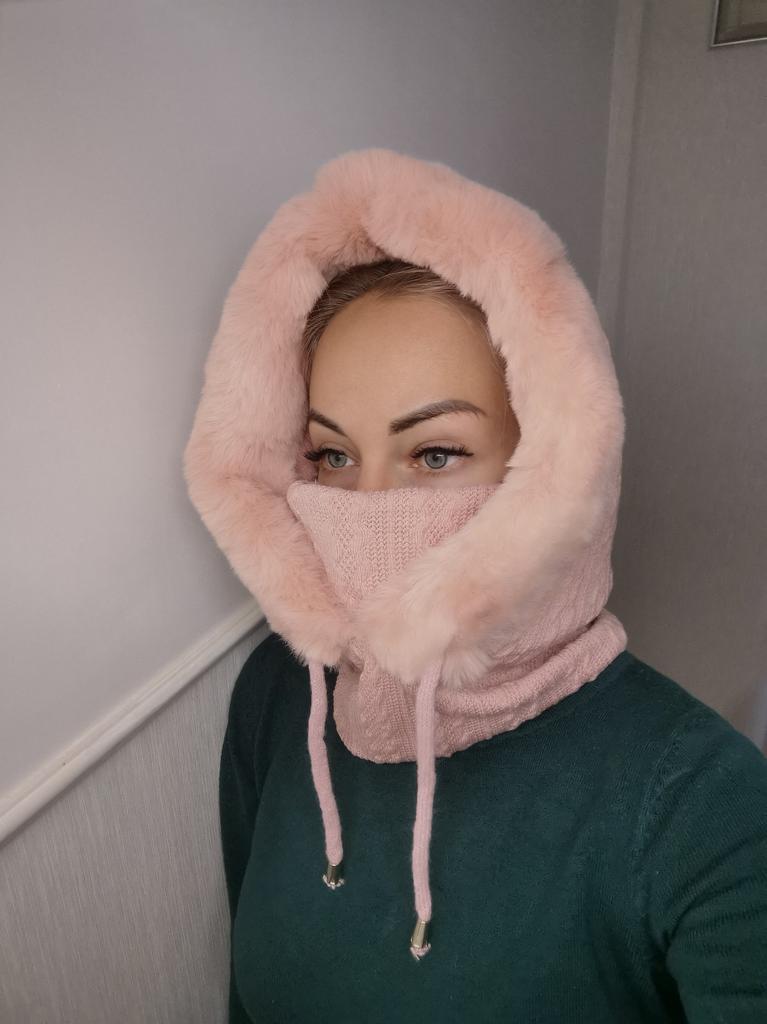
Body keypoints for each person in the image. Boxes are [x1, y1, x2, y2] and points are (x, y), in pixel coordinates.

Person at [183, 148, 767, 1023]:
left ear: (552, 465)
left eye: (433, 454)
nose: (366, 507)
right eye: (333, 455)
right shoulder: (279, 694)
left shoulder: (703, 802)